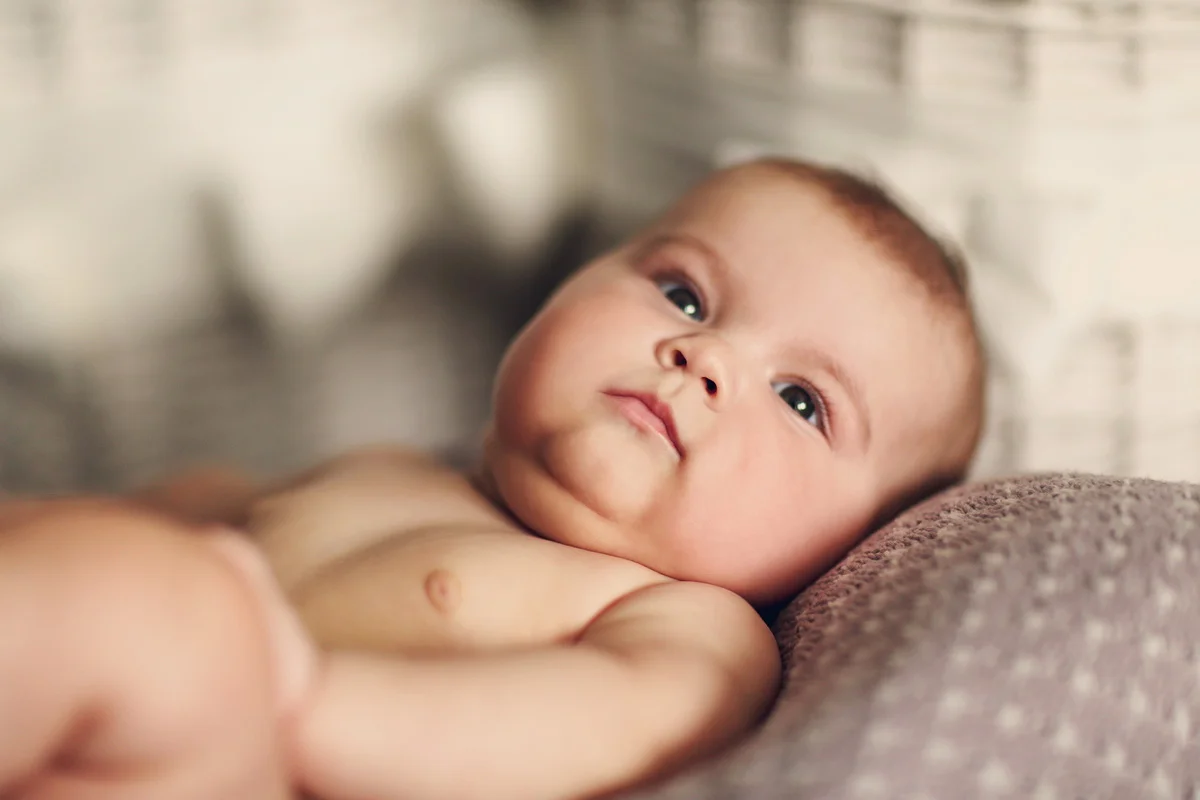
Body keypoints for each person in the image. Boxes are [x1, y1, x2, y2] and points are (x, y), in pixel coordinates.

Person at [0, 157, 986, 800]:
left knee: (165, 606)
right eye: (682, 291)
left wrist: (307, 700)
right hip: (116, 721)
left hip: (259, 758)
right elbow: (178, 522)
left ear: (855, 541)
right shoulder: (388, 468)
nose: (705, 355)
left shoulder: (683, 618)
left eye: (802, 399)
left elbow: (600, 725)